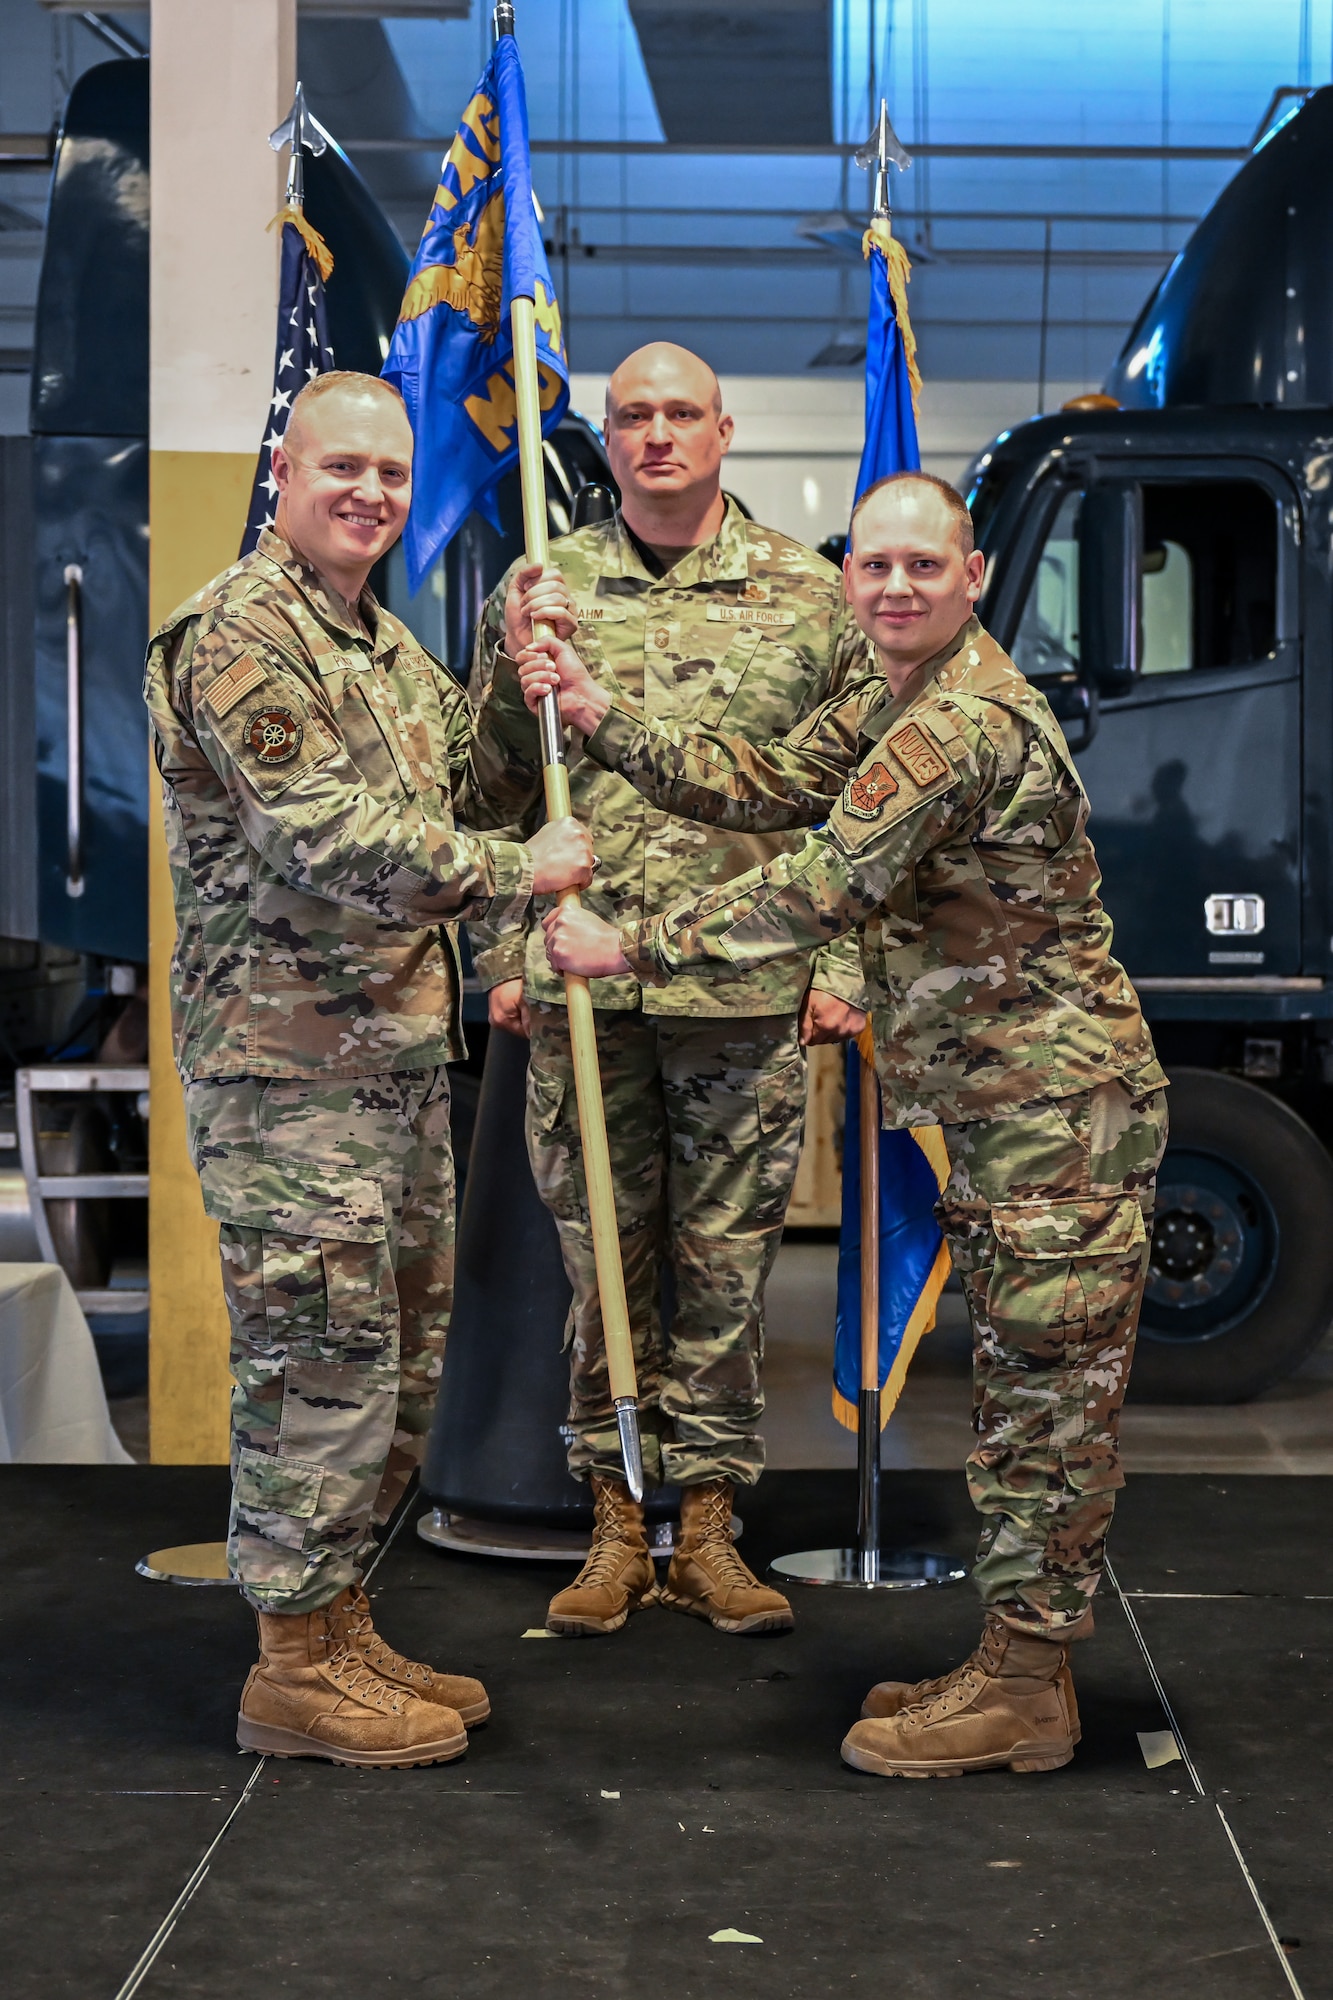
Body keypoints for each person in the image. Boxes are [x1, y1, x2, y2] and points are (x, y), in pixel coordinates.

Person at [518, 471, 1168, 1778]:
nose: (893, 587)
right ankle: (1009, 1661)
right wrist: (601, 719)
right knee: (1017, 1405)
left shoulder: (962, 727)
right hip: (1002, 1113)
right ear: (846, 576)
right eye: (871, 566)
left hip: (1054, 1119)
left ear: (971, 576)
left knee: (1043, 1411)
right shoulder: (890, 695)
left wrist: (624, 944)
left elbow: (815, 885)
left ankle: (1029, 1693)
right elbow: (767, 780)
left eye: (921, 567)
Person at [143, 370, 592, 1768]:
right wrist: (524, 872)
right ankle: (288, 1667)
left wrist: (518, 685)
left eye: (392, 475)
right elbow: (323, 836)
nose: (373, 494)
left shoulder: (384, 650)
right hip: (287, 1079)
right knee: (314, 1359)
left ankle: (336, 1622)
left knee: (385, 1363)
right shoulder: (237, 635)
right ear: (285, 469)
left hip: (392, 1066)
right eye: (345, 467)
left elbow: (466, 790)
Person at [470, 341, 871, 1640]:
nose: (655, 436)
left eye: (679, 414)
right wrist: (499, 953)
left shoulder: (807, 597)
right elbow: (488, 791)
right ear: (604, 437)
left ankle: (704, 1528)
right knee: (601, 1266)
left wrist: (847, 960)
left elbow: (852, 799)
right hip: (582, 995)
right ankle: (610, 1523)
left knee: (725, 1270)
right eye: (632, 416)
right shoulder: (546, 588)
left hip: (741, 986)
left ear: (724, 428)